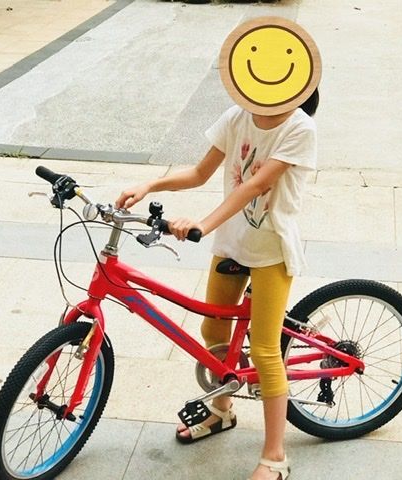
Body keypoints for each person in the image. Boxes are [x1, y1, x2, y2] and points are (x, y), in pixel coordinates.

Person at [116, 88, 319, 480]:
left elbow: (255, 185)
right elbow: (199, 173)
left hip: (271, 251)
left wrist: (203, 224)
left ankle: (275, 456)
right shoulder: (237, 117)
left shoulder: (299, 128)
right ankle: (221, 410)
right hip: (232, 243)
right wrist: (149, 186)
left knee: (264, 351)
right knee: (213, 331)